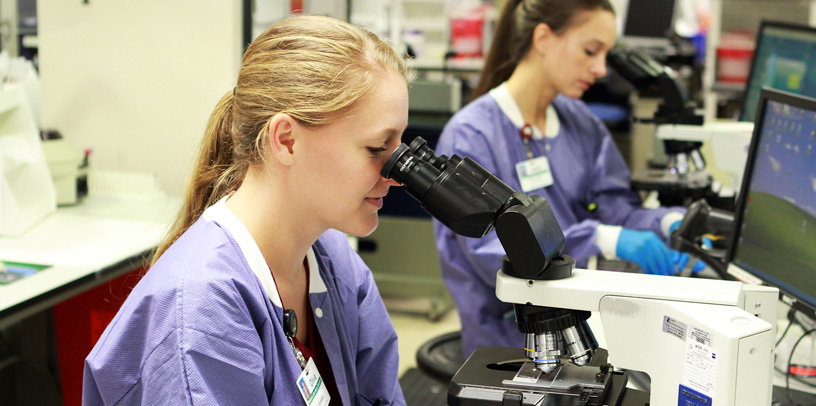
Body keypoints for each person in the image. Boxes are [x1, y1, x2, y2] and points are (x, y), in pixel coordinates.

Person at [83, 16, 409, 406]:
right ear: (287, 140)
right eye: (377, 149)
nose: (397, 176)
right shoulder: (202, 312)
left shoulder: (334, 261)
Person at [433, 0, 705, 357]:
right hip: (512, 341)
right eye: (591, 51)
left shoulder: (580, 122)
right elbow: (492, 254)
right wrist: (601, 239)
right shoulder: (471, 136)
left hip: (587, 325)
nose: (601, 69)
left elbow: (617, 210)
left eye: (607, 54)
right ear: (543, 38)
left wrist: (666, 223)